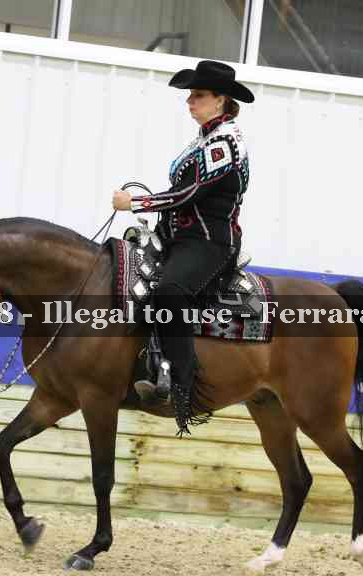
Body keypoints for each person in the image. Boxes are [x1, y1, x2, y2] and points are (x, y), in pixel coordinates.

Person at [111, 59, 254, 435]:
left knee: (170, 292)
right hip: (180, 239)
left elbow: (190, 193)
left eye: (198, 95)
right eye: (190, 95)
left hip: (209, 242)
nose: (190, 102)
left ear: (220, 100)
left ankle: (182, 384)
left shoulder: (226, 141)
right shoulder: (204, 139)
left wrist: (136, 203)